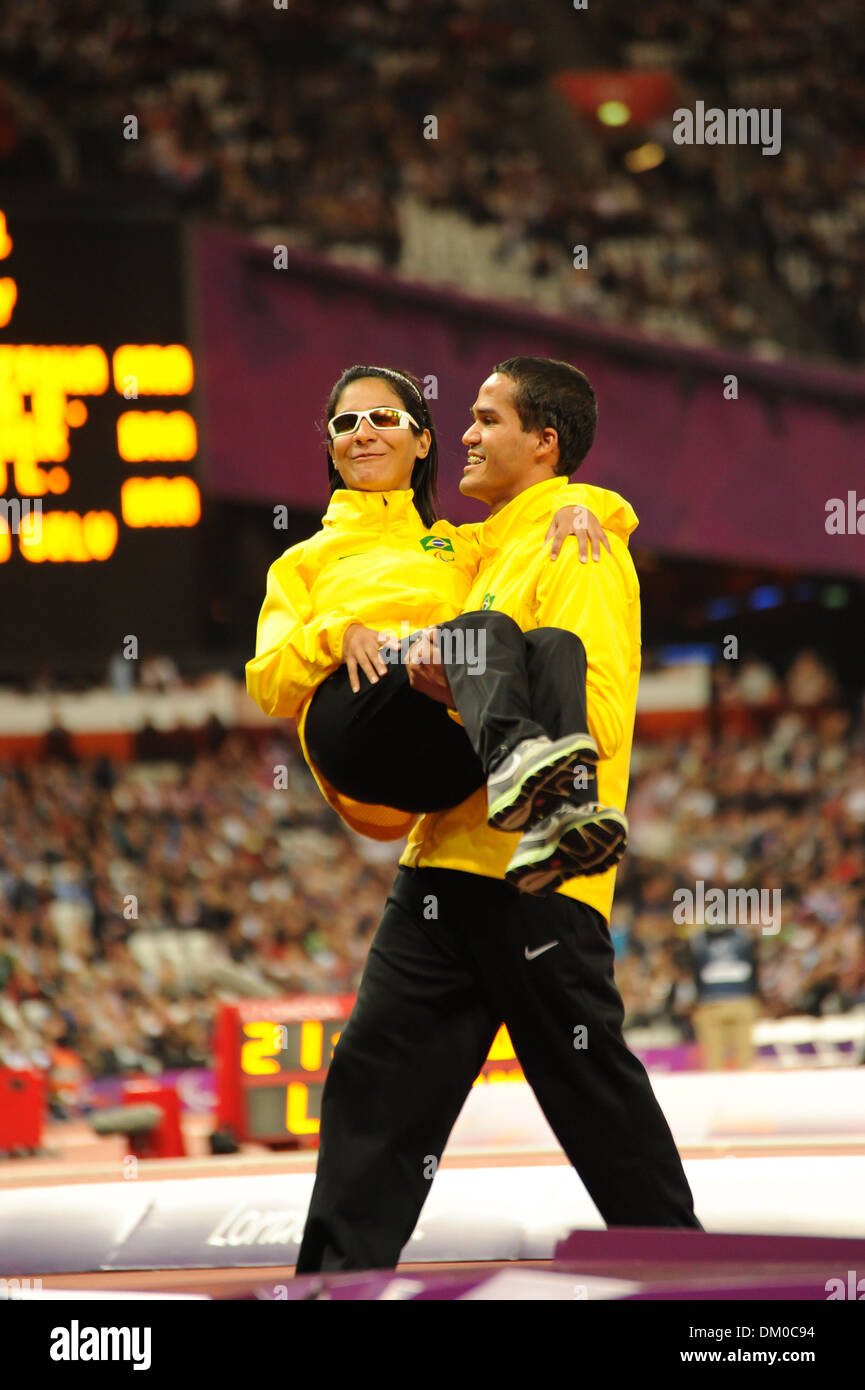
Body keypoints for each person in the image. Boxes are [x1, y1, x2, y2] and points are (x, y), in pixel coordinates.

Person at [295, 358, 702, 1273]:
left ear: (543, 442)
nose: (466, 434)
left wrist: (590, 506)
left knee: (593, 1100)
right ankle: (330, 1294)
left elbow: (591, 702)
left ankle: (701, 1298)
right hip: (438, 867)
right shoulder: (479, 549)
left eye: (486, 418)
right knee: (373, 1094)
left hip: (537, 872)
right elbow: (402, 562)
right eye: (465, 420)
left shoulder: (576, 536)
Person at [246, 364, 633, 884]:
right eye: (345, 425)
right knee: (486, 632)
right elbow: (267, 682)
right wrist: (340, 632)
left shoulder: (459, 544)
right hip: (355, 717)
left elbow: (526, 523)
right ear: (333, 448)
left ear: (422, 441)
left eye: (381, 418)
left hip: (445, 754)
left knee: (552, 645)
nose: (362, 433)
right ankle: (523, 767)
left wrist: (579, 502)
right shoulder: (300, 562)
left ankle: (562, 818)